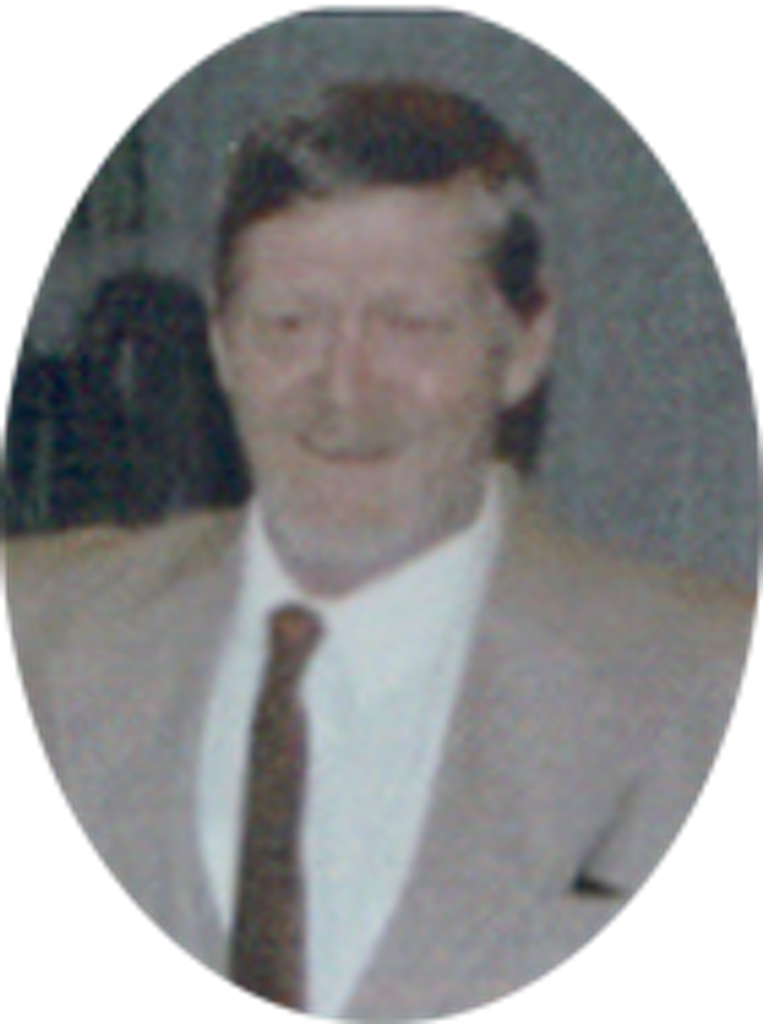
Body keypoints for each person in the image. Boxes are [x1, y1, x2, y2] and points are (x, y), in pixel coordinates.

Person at [2, 80, 756, 1020]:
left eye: (409, 326)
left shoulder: (702, 690)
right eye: (289, 324)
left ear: (524, 344)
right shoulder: (39, 638)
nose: (345, 391)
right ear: (221, 346)